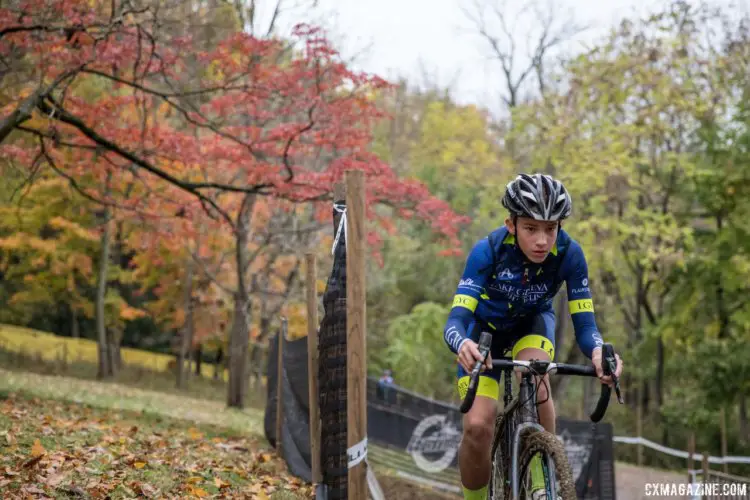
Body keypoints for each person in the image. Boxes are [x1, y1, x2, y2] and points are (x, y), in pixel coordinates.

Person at [443, 173, 623, 500]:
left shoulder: (570, 255)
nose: (542, 240)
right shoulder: (487, 252)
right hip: (484, 334)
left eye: (550, 228)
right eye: (531, 228)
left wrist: (598, 353)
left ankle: (543, 486)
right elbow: (455, 320)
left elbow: (585, 326)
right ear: (511, 224)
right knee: (478, 428)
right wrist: (463, 344)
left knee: (536, 377)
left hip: (533, 325)